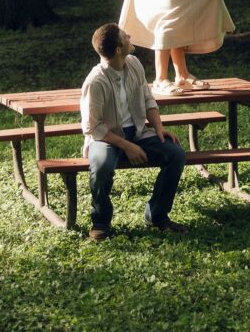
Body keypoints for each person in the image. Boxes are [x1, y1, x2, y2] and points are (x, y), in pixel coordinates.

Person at [80, 23, 187, 241]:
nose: (130, 37)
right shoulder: (96, 81)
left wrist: (159, 128)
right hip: (106, 138)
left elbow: (148, 99)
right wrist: (127, 146)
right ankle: (100, 222)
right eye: (125, 36)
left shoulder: (134, 63)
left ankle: (157, 215)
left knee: (175, 154)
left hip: (139, 132)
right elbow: (92, 127)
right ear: (119, 49)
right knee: (101, 167)